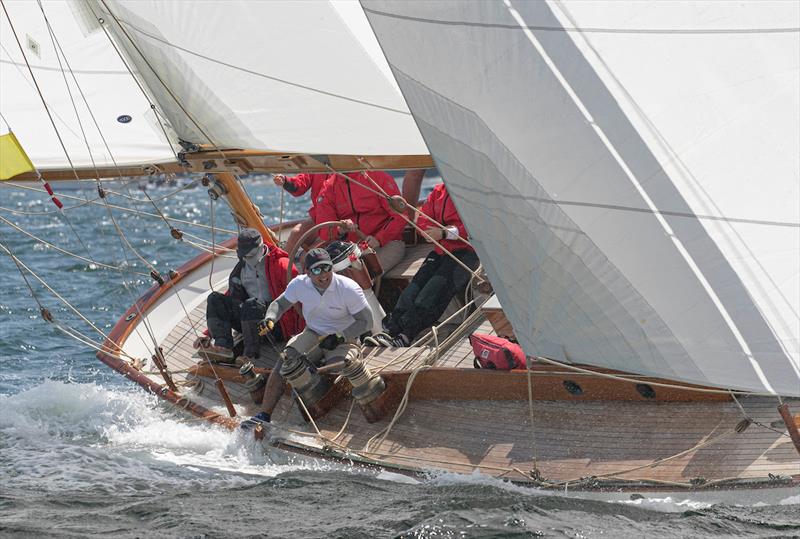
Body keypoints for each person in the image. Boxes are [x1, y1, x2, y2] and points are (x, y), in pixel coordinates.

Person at [252, 248, 373, 422]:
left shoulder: (348, 288)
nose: (323, 274)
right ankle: (264, 415)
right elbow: (280, 304)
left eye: (326, 267)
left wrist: (340, 337)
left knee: (334, 373)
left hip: (345, 339)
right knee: (285, 363)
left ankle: (331, 421)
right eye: (316, 270)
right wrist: (270, 318)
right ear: (307, 272)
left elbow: (366, 322)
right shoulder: (299, 284)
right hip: (313, 334)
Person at [368, 183, 479, 347]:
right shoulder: (438, 191)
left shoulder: (472, 193)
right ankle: (391, 329)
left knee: (430, 293)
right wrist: (428, 231)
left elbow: (477, 226)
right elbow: (422, 218)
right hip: (441, 251)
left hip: (466, 253)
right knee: (411, 290)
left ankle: (406, 335)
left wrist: (444, 233)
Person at [193, 228, 303, 363]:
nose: (246, 259)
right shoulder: (241, 269)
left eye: (250, 255)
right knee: (215, 298)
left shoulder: (282, 266)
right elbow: (232, 296)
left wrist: (301, 335)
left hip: (276, 325)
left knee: (252, 305)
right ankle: (223, 347)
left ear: (261, 248)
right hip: (250, 320)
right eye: (243, 256)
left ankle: (249, 355)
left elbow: (300, 296)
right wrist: (208, 333)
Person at [314, 170, 406, 274]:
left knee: (362, 276)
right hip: (347, 249)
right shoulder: (328, 188)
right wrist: (339, 230)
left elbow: (401, 217)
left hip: (387, 243)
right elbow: (324, 231)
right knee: (317, 272)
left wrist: (379, 239)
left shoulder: (378, 178)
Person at [272, 173, 329, 254]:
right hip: (318, 216)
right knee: (296, 233)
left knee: (306, 257)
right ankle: (283, 264)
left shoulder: (346, 169)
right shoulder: (317, 166)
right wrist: (285, 181)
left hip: (340, 220)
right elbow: (301, 183)